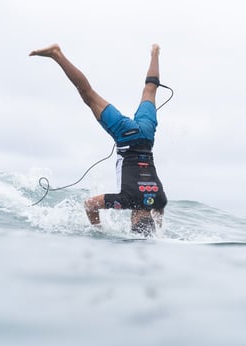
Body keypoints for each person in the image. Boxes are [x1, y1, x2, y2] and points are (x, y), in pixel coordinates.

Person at [29, 43, 167, 237]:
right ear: (133, 220)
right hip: (125, 135)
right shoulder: (127, 200)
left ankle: (155, 52)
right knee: (88, 94)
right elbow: (90, 204)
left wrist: (159, 229)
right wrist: (98, 231)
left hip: (146, 135)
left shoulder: (161, 200)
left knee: (150, 90)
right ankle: (56, 54)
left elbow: (159, 213)